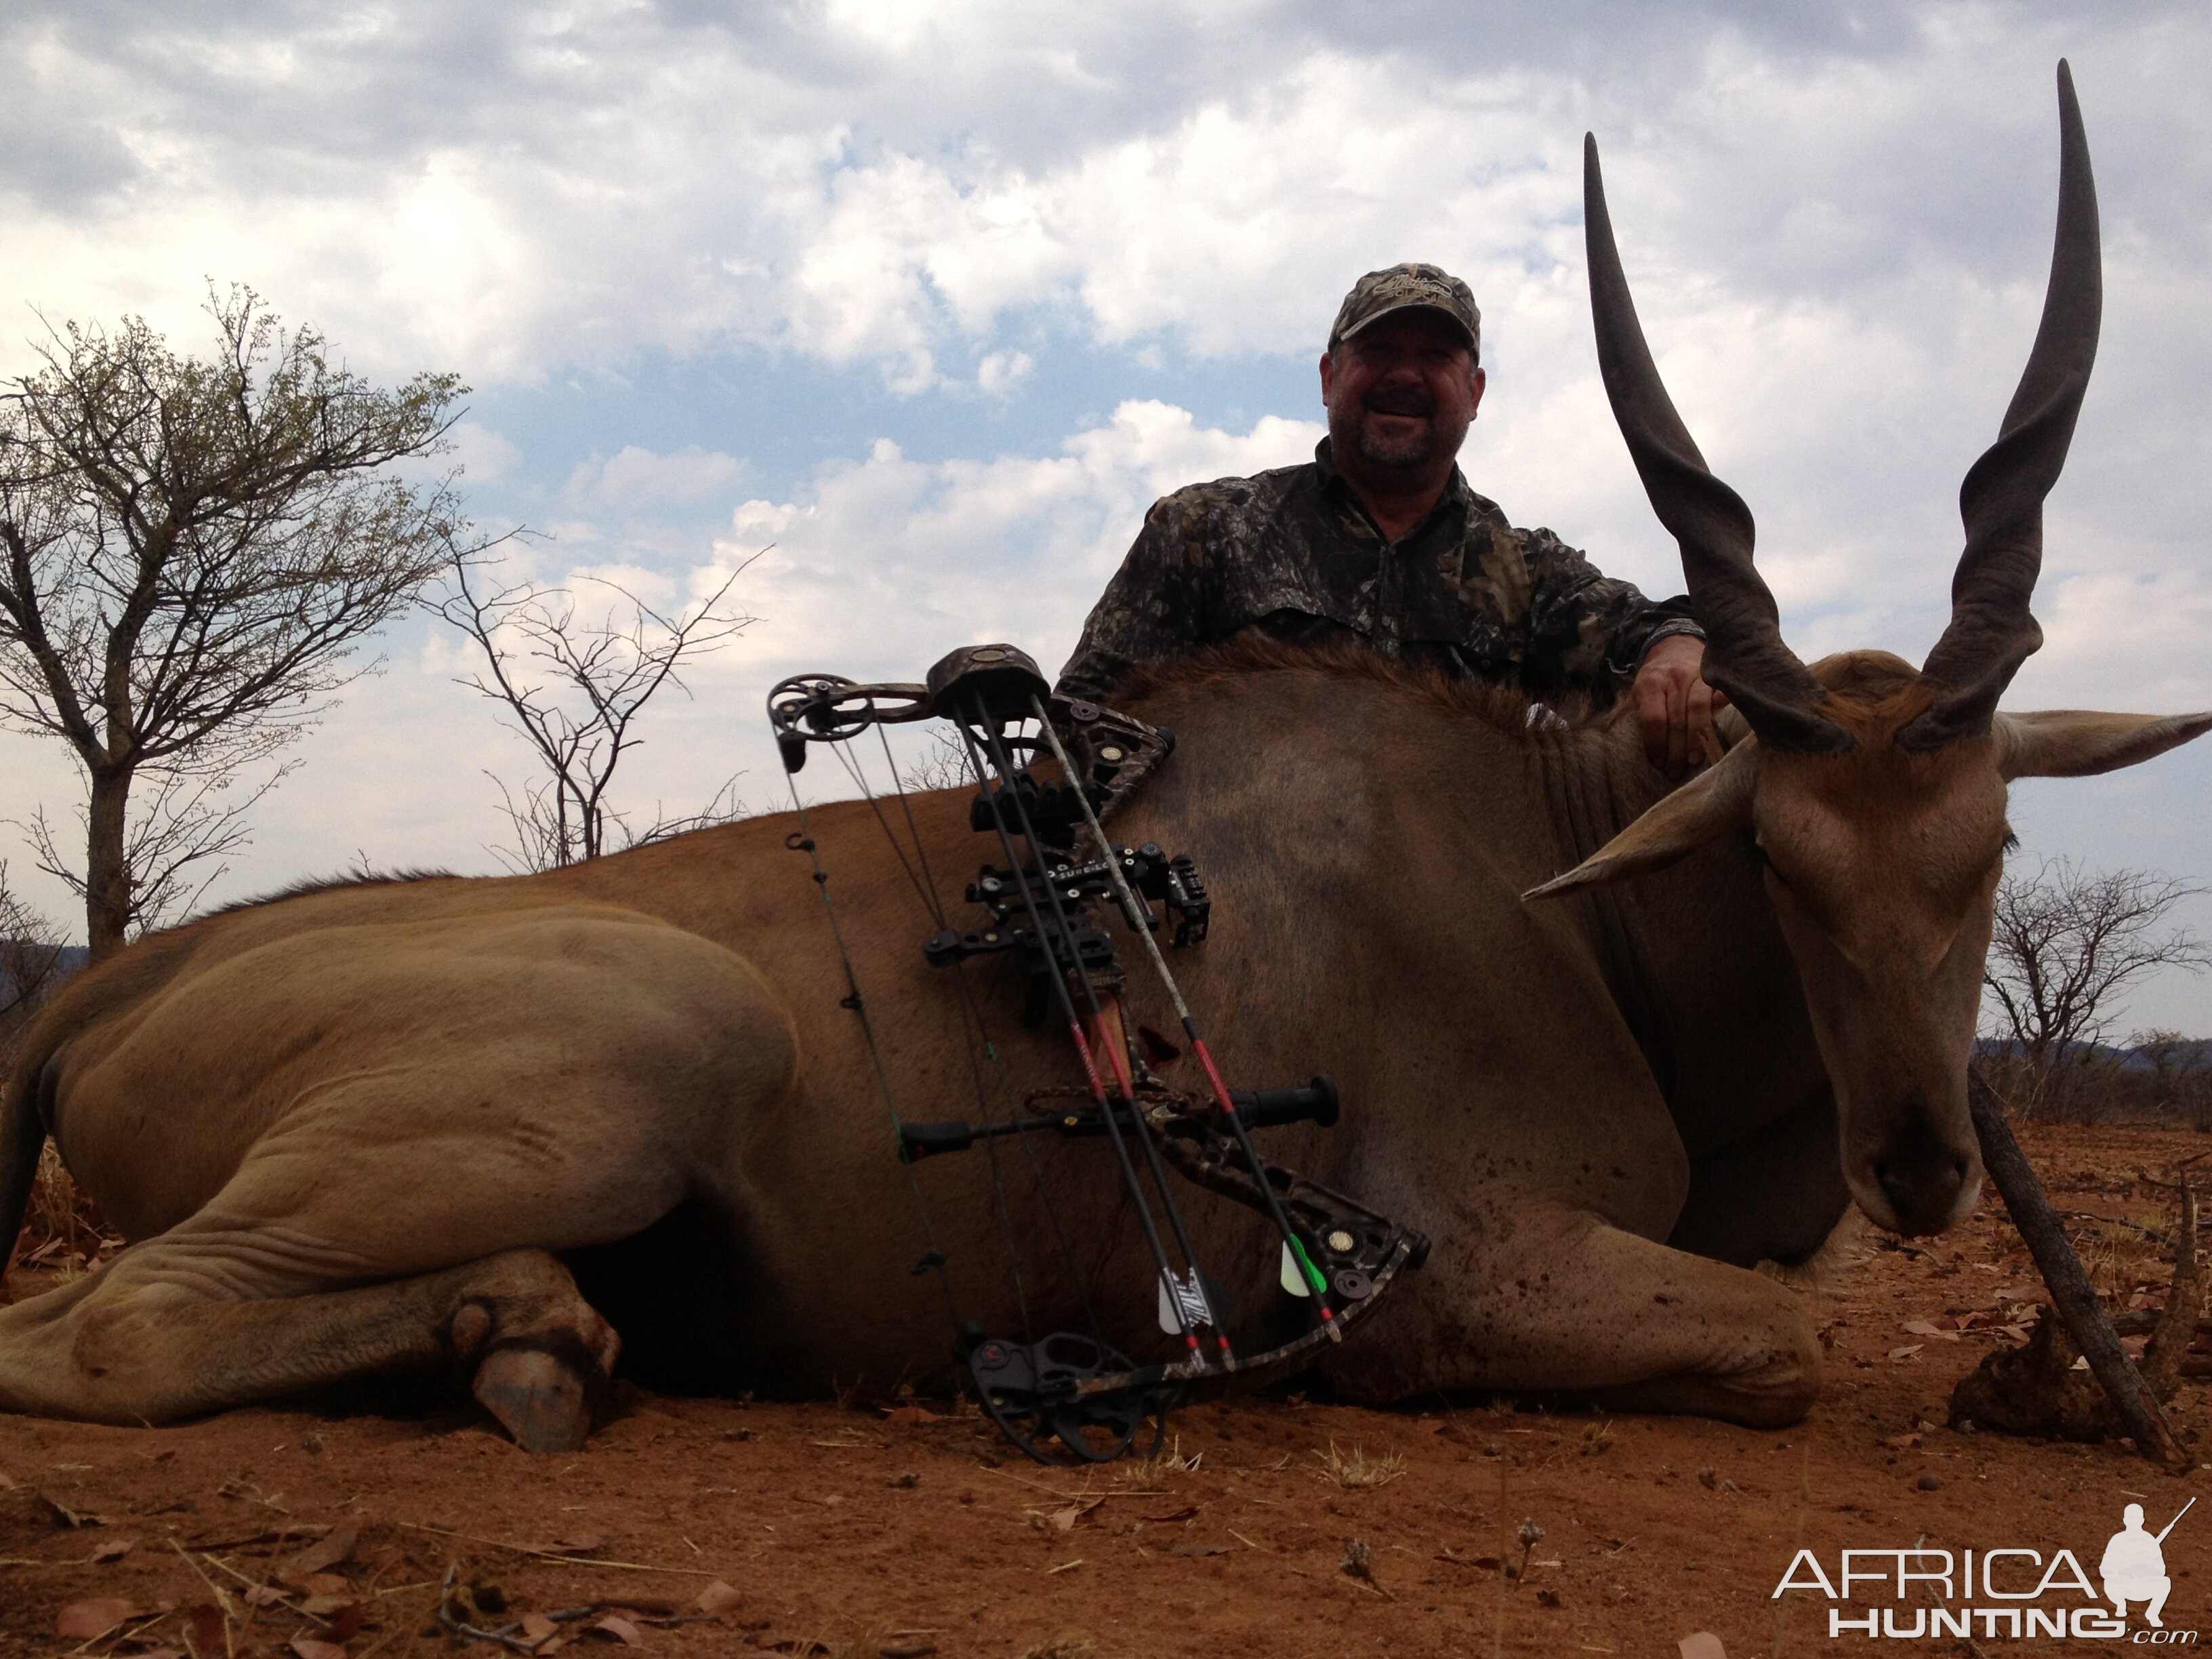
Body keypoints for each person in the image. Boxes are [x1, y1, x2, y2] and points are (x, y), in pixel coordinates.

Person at [1056, 262, 1723, 773]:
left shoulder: (1524, 571)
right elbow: (1079, 722)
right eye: (1378, 352)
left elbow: (1662, 626)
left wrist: (1679, 650)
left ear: (1475, 392)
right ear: (1328, 377)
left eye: (1436, 357)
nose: (1406, 375)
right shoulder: (1205, 531)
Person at [2100, 1503, 2173, 1627]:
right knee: (2108, 1582)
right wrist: (2122, 1572)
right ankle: (2120, 1604)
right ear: (2125, 1520)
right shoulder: (2117, 1540)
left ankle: (2153, 1613)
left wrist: (2144, 1569)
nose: (2134, 1521)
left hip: (2143, 1586)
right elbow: (2104, 1569)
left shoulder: (2149, 1540)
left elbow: (2161, 1570)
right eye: (2131, 1518)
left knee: (2165, 1582)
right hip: (2122, 1586)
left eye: (2137, 1518)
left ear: (2142, 1520)